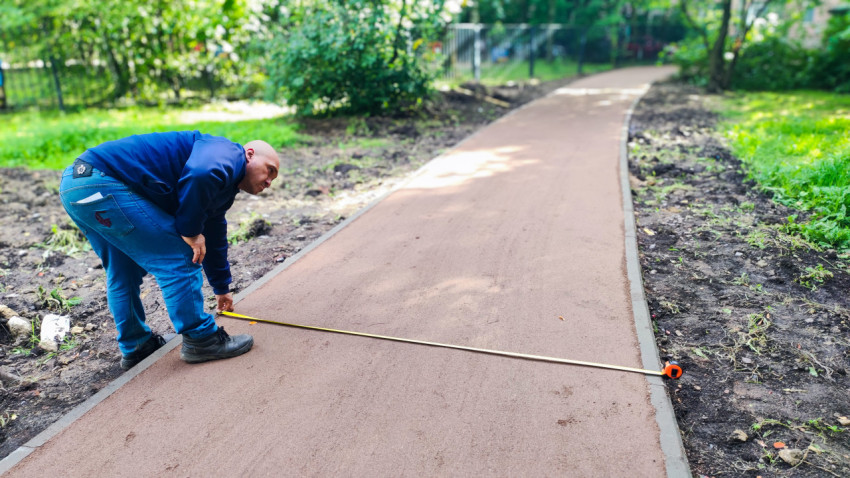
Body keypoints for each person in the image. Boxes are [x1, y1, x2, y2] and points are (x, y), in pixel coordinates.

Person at [59, 131, 280, 370]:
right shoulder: (227, 152)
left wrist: (221, 287)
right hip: (103, 181)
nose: (269, 182)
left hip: (76, 184)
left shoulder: (221, 186)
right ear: (249, 155)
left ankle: (137, 346)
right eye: (270, 170)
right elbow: (201, 173)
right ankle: (201, 338)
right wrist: (191, 231)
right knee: (179, 256)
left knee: (124, 271)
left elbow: (214, 233)